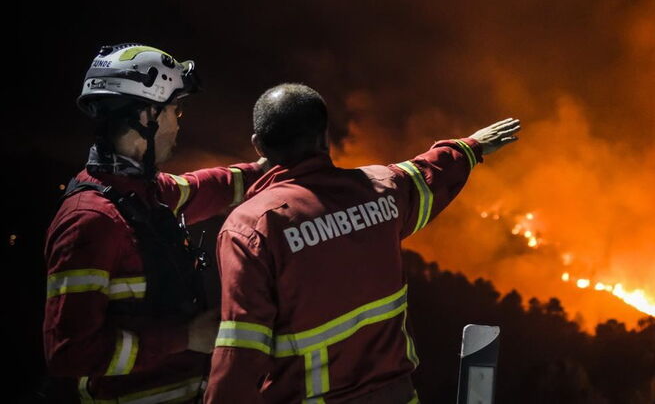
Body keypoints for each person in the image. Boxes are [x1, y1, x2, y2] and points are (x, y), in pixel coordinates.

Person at [204, 84, 520, 403]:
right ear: (324, 137)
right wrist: (471, 146)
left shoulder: (252, 227)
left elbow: (241, 353)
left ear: (258, 145)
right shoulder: (380, 189)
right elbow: (428, 173)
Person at [44, 44, 266, 403]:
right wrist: (186, 337)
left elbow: (204, 187)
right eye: (175, 109)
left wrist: (267, 168)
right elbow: (68, 353)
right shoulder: (91, 222)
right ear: (148, 115)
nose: (178, 122)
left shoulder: (145, 193)